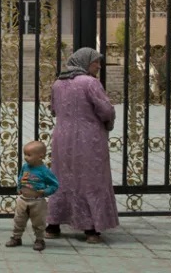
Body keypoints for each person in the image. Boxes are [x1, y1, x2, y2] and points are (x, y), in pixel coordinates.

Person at [45, 47, 118, 244]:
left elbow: (53, 109)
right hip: (89, 138)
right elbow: (105, 110)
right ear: (85, 62)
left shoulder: (58, 83)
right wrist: (108, 120)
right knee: (91, 179)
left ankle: (53, 225)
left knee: (62, 177)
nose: (98, 66)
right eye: (95, 62)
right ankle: (91, 228)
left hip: (62, 137)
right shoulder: (90, 82)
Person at [5, 140, 59, 251]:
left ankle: (39, 239)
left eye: (29, 155)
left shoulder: (44, 171)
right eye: (25, 154)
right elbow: (20, 177)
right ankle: (16, 237)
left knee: (38, 222)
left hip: (37, 201)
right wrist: (19, 188)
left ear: (40, 156)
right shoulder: (25, 167)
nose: (25, 157)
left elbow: (54, 184)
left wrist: (45, 191)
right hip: (23, 199)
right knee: (19, 219)